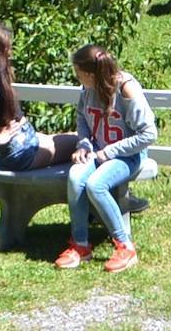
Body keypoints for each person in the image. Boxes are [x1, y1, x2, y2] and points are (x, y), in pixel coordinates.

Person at [54, 44, 157, 273]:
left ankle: (125, 246)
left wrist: (109, 152)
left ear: (91, 74)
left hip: (128, 155)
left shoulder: (126, 89)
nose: (78, 79)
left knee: (96, 184)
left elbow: (149, 134)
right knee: (75, 176)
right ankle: (81, 245)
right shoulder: (88, 90)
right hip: (98, 151)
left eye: (79, 74)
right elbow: (82, 118)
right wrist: (83, 144)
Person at [0, 23, 78, 172]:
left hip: (17, 146)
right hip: (22, 150)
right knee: (81, 141)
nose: (9, 51)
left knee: (64, 137)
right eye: (6, 47)